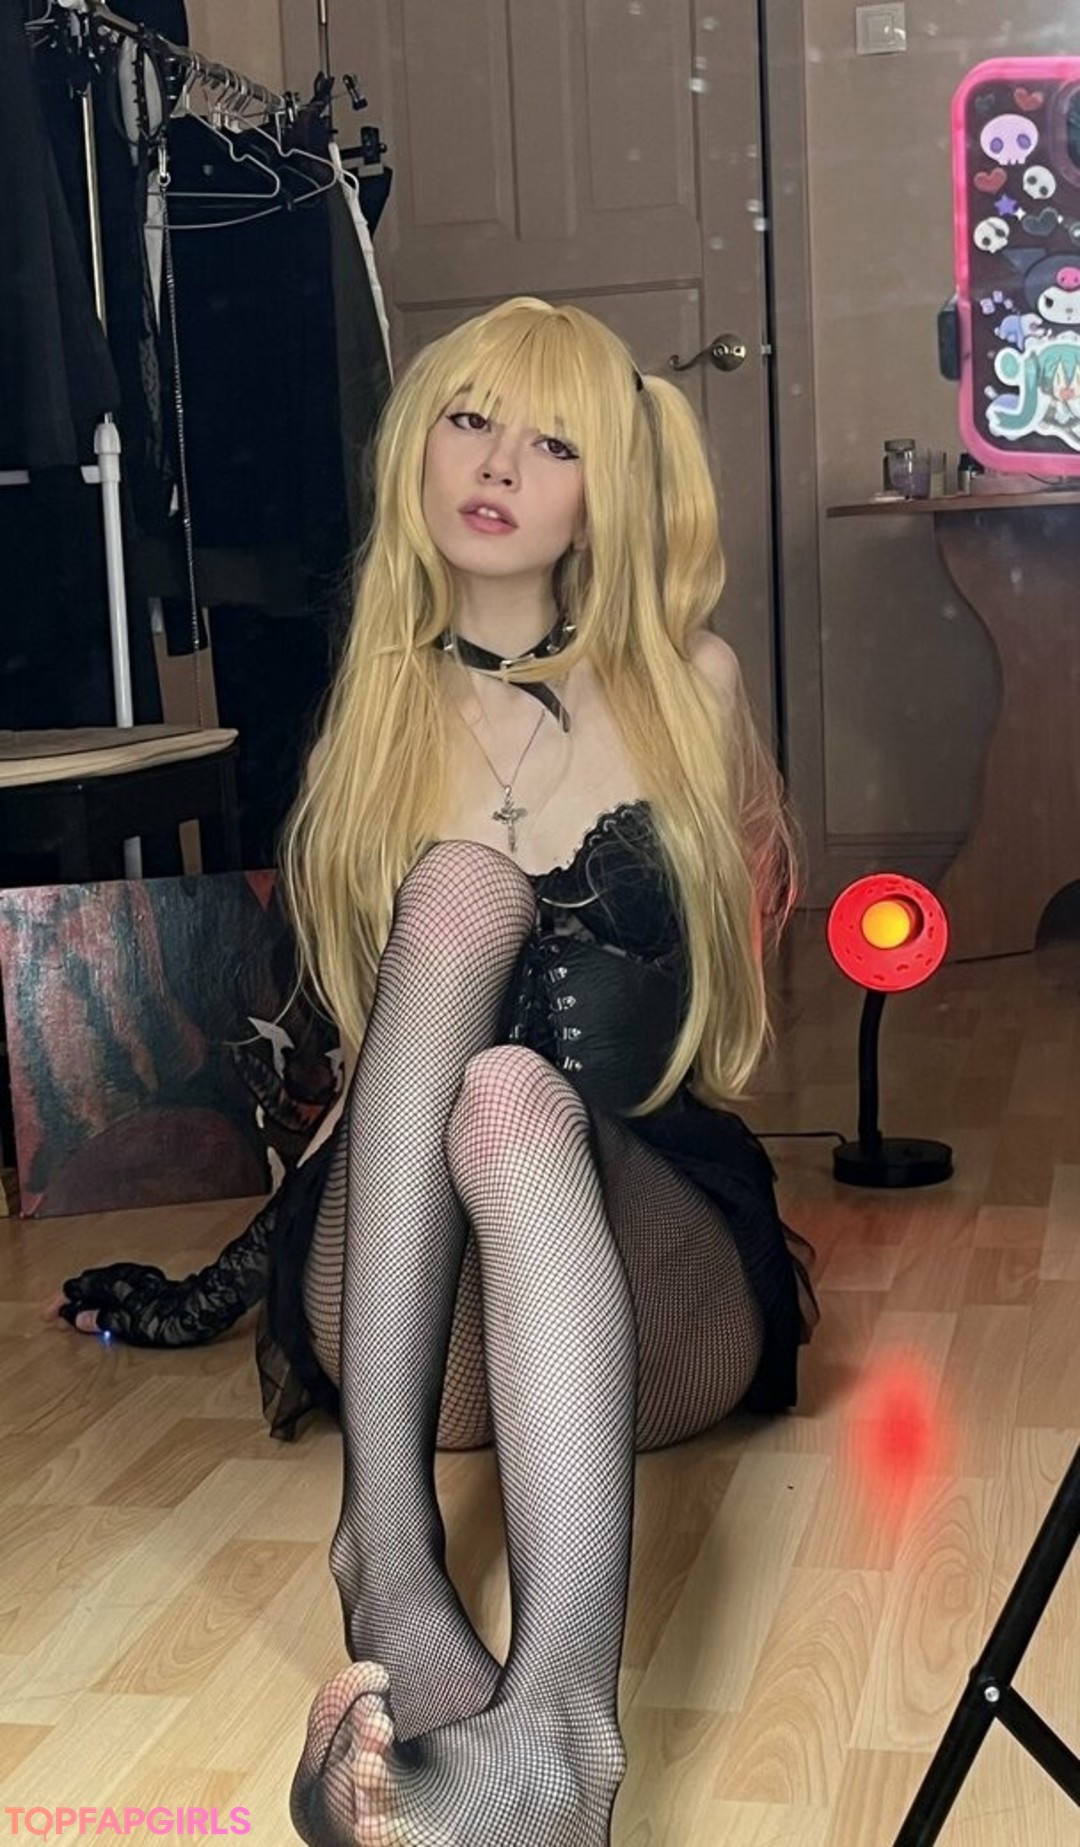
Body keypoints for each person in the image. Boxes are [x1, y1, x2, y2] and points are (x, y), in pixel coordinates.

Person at [44, 297, 817, 1847]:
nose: (499, 465)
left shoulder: (695, 683)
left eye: (554, 441)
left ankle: (553, 1723)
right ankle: (396, 1565)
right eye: (469, 419)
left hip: (645, 1291)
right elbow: (357, 1074)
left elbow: (720, 1008)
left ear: (609, 488)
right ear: (416, 448)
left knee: (513, 1097)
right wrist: (218, 1290)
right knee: (460, 904)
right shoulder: (377, 700)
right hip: (427, 1335)